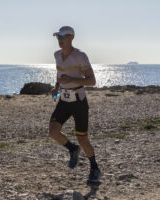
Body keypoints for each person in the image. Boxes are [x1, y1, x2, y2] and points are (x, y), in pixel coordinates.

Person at [49, 26, 101, 183]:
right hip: (64, 100)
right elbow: (59, 75)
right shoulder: (57, 55)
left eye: (63, 36)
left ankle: (94, 167)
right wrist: (57, 88)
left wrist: (72, 80)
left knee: (83, 139)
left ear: (71, 37)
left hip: (79, 102)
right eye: (58, 36)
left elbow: (91, 81)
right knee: (53, 132)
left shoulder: (80, 56)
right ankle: (72, 149)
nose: (60, 39)